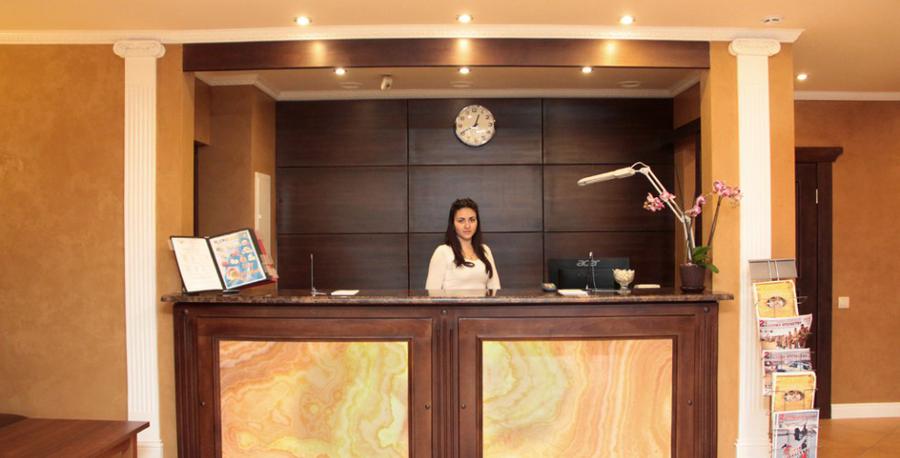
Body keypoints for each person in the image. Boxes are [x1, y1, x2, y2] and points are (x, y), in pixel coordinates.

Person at [425, 198, 501, 290]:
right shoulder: (442, 252)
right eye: (461, 220)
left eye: (472, 220)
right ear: (453, 224)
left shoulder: (485, 250)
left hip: (482, 300)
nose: (467, 226)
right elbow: (431, 293)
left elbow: (495, 289)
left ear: (477, 222)